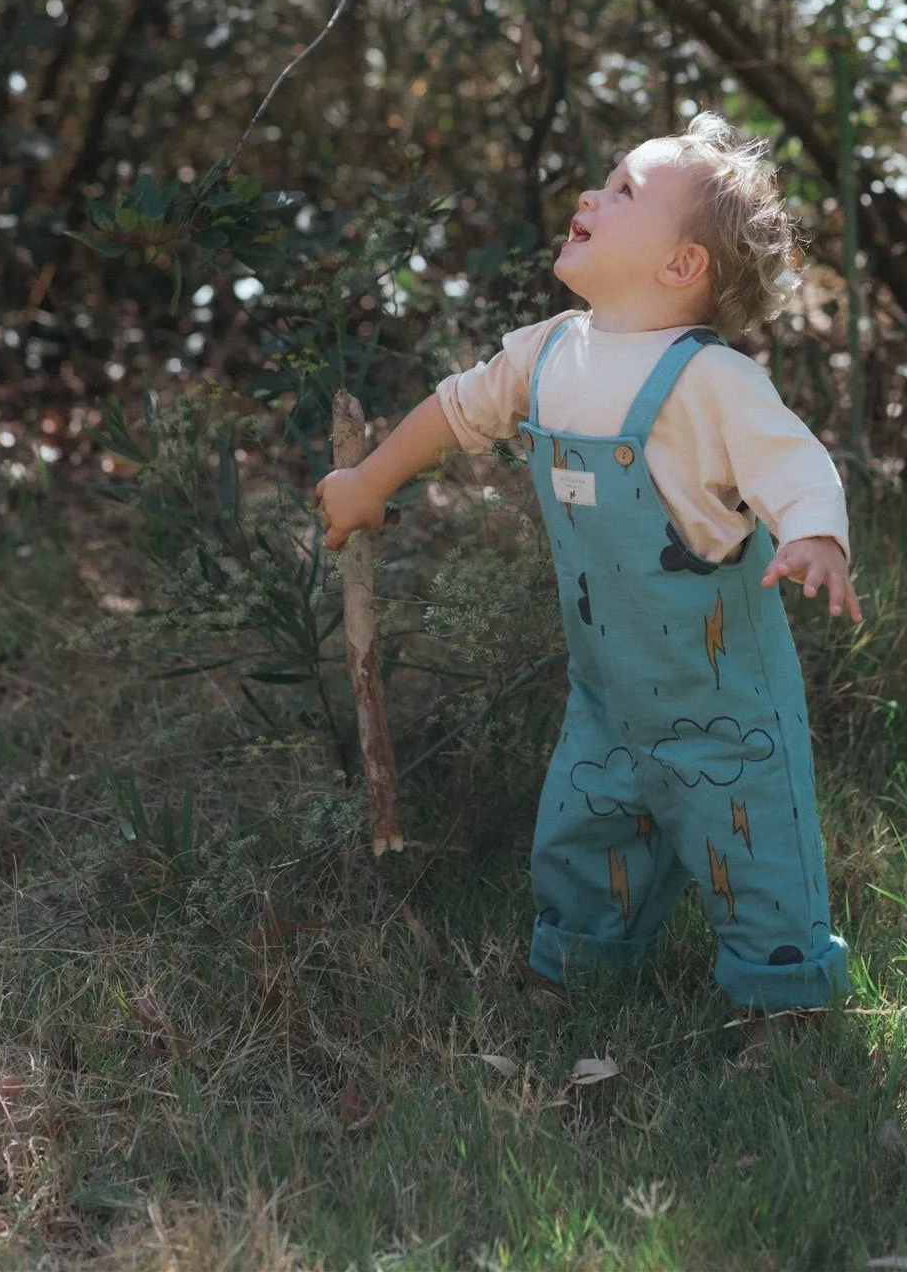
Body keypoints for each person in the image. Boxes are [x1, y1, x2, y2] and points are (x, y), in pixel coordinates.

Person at [316, 112, 859, 1014]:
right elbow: (455, 412)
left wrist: (813, 535)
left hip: (722, 705)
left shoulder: (711, 379)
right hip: (607, 688)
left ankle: (784, 998)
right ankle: (577, 969)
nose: (589, 196)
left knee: (752, 845)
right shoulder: (546, 353)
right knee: (585, 823)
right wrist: (368, 482)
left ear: (681, 265)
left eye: (623, 191)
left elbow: (792, 461)